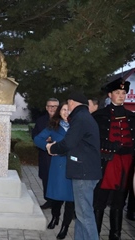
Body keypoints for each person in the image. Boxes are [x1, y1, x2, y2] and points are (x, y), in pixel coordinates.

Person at [46, 92, 102, 240]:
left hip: (84, 173)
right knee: (82, 214)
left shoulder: (80, 118)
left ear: (72, 102)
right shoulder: (84, 117)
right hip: (85, 171)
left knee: (85, 215)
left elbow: (68, 143)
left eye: (68, 103)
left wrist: (52, 148)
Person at [92, 77, 135, 239]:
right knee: (99, 202)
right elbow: (92, 141)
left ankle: (115, 235)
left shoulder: (132, 117)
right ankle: (94, 235)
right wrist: (108, 145)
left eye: (123, 93)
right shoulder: (99, 116)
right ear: (110, 95)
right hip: (107, 164)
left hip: (127, 165)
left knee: (119, 203)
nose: (121, 95)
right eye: (118, 92)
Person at [34, 102, 74, 239]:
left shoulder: (78, 126)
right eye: (64, 109)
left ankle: (65, 226)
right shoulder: (53, 125)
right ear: (59, 111)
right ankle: (55, 217)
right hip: (58, 166)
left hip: (74, 165)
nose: (66, 112)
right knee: (57, 196)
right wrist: (48, 146)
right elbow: (37, 139)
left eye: (69, 110)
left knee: (71, 199)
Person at [32, 97, 59, 209]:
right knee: (46, 178)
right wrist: (44, 141)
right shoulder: (41, 120)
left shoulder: (65, 120)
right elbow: (34, 136)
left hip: (59, 155)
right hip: (45, 154)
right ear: (46, 107)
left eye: (54, 106)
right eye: (49, 106)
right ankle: (48, 200)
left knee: (58, 179)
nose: (51, 108)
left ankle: (58, 201)